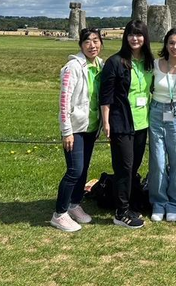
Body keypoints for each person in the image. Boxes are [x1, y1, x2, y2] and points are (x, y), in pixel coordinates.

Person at [100, 20, 154, 229]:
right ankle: (121, 212)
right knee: (124, 166)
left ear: (145, 37)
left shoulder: (148, 62)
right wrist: (106, 122)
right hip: (121, 121)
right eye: (131, 34)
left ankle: (128, 204)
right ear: (125, 37)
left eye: (139, 35)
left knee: (133, 166)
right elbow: (106, 96)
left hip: (142, 122)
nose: (135, 38)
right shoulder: (115, 62)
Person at [51, 28, 104, 232]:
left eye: (96, 41)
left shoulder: (100, 65)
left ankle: (74, 204)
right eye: (87, 41)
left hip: (91, 126)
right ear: (81, 45)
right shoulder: (72, 67)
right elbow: (64, 100)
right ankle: (59, 214)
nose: (92, 45)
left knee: (83, 170)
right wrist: (66, 131)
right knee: (74, 170)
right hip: (75, 127)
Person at [149, 28, 176, 222]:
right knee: (158, 159)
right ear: (166, 44)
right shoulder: (155, 64)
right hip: (156, 111)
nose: (175, 47)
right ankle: (159, 201)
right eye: (171, 43)